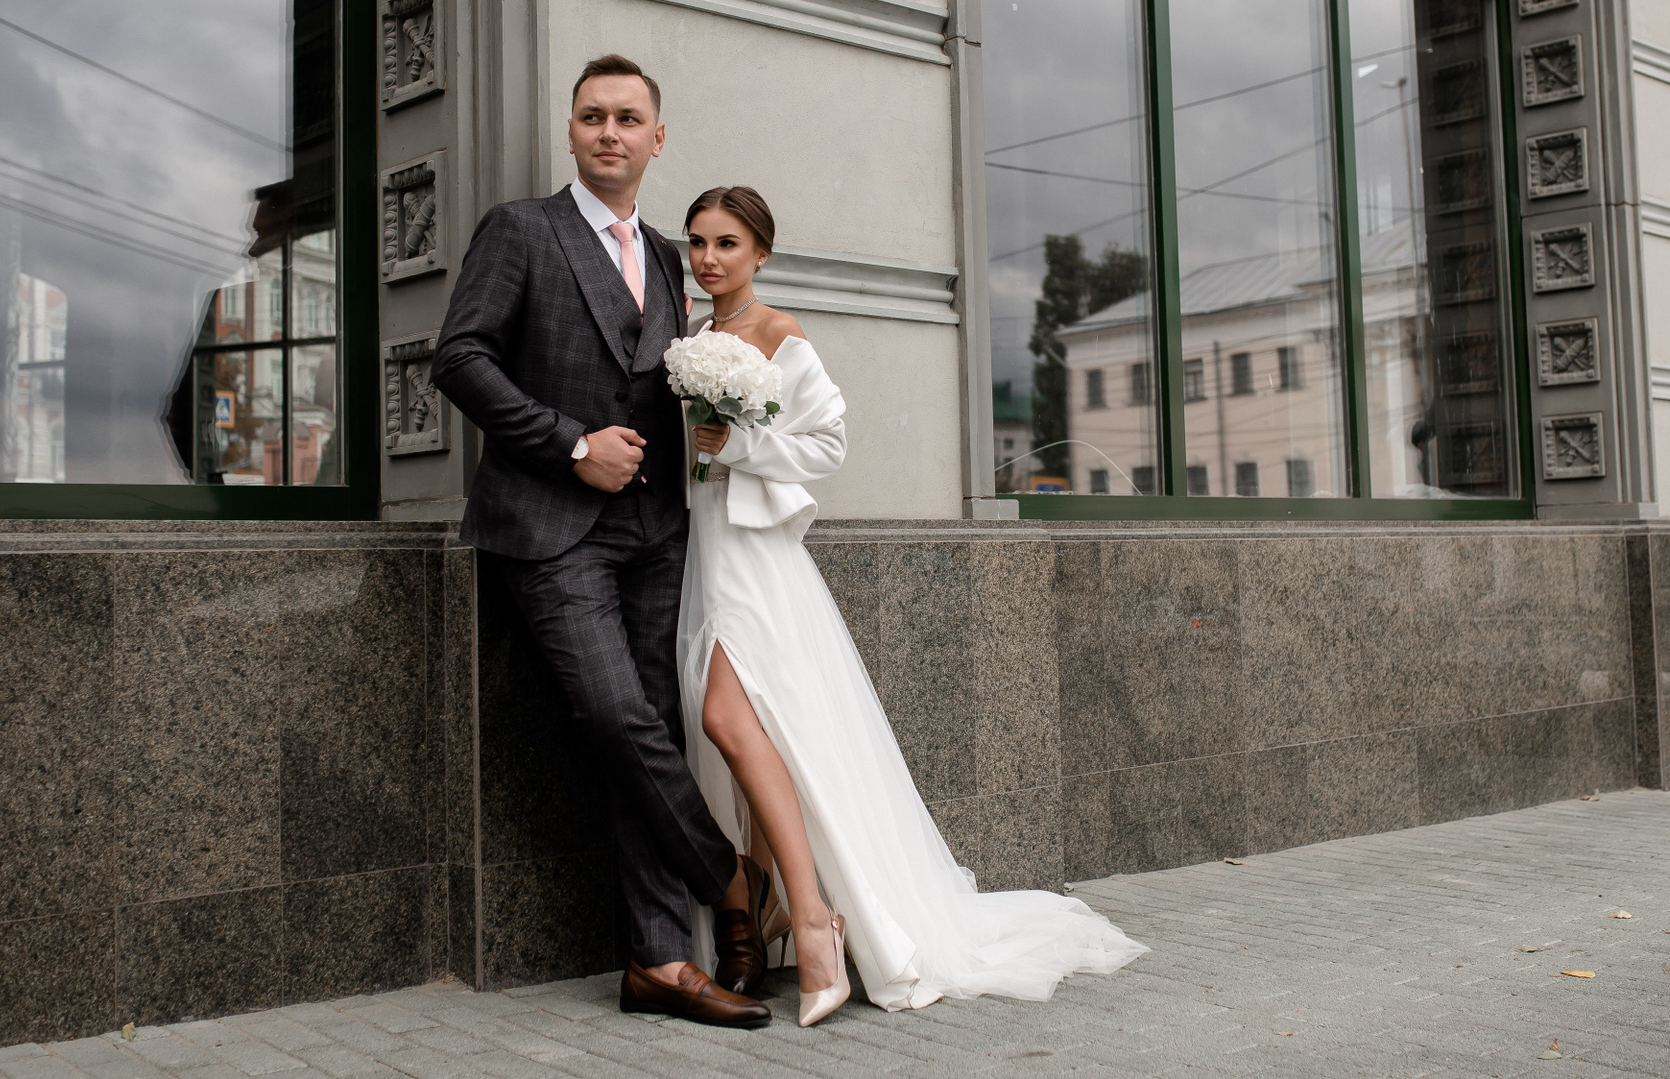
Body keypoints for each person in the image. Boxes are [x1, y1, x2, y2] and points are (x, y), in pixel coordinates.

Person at [675, 186, 1146, 1028]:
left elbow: (828, 444)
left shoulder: (780, 334)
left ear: (761, 253)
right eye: (698, 242)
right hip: (703, 547)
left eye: (728, 243)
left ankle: (813, 921)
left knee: (727, 719)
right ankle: (771, 902)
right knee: (755, 730)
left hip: (756, 558)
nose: (709, 258)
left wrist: (738, 441)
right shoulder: (693, 337)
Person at [429, 55, 770, 1029]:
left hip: (656, 529)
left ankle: (658, 959)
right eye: (592, 116)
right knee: (617, 717)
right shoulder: (520, 230)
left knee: (648, 726)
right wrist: (571, 443)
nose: (609, 131)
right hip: (550, 527)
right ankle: (730, 875)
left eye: (627, 118)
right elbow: (458, 357)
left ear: (656, 138)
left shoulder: (668, 254)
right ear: (571, 131)